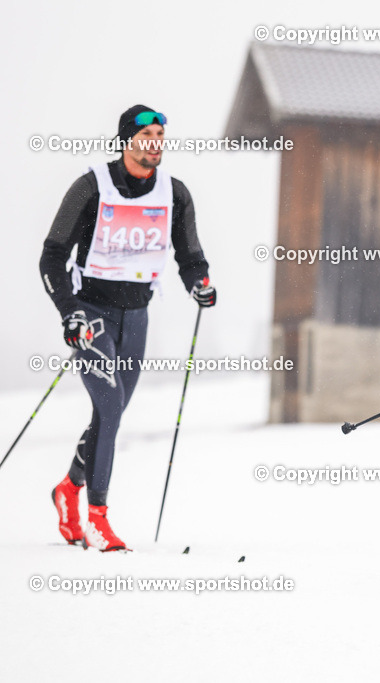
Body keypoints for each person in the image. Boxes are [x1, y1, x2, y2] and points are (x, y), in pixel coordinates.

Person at [40, 105, 217, 551]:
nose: (155, 141)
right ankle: (98, 516)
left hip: (137, 316)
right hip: (91, 313)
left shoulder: (174, 194)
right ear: (126, 140)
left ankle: (68, 489)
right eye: (147, 134)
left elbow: (190, 255)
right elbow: (51, 257)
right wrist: (69, 313)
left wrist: (200, 284)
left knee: (110, 415)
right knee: (110, 406)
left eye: (161, 134)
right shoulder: (90, 188)